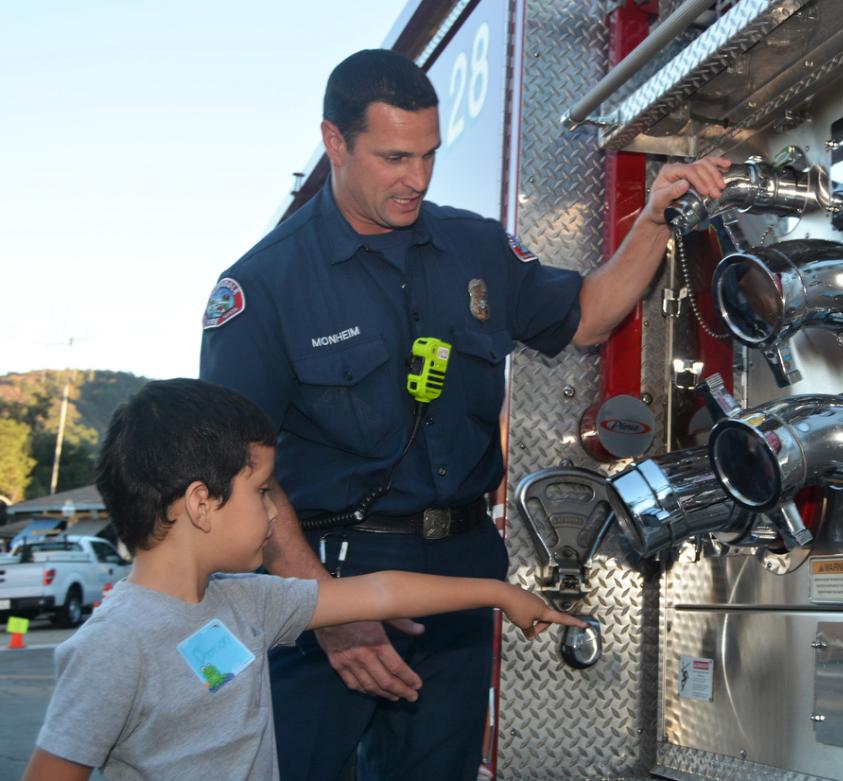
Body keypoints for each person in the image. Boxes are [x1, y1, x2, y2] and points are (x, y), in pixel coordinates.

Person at [198, 48, 729, 780]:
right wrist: (326, 608)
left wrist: (657, 222)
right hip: (335, 570)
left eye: (428, 154)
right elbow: (238, 471)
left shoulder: (473, 246)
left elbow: (585, 316)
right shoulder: (263, 284)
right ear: (334, 142)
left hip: (461, 567)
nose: (416, 177)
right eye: (392, 157)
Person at [22, 379, 582, 781]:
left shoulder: (245, 601)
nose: (274, 512)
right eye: (262, 490)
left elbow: (379, 591)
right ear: (201, 503)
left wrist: (501, 593)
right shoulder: (113, 645)